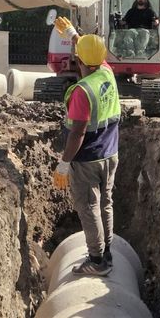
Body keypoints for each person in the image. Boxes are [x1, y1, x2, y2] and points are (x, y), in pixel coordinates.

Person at [52, 17, 120, 276]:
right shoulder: (106, 72)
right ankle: (108, 252)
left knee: (89, 207)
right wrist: (72, 33)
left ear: (78, 61)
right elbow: (89, 51)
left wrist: (64, 163)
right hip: (110, 153)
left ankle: (97, 260)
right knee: (106, 203)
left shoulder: (82, 91)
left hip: (87, 158)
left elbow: (78, 132)